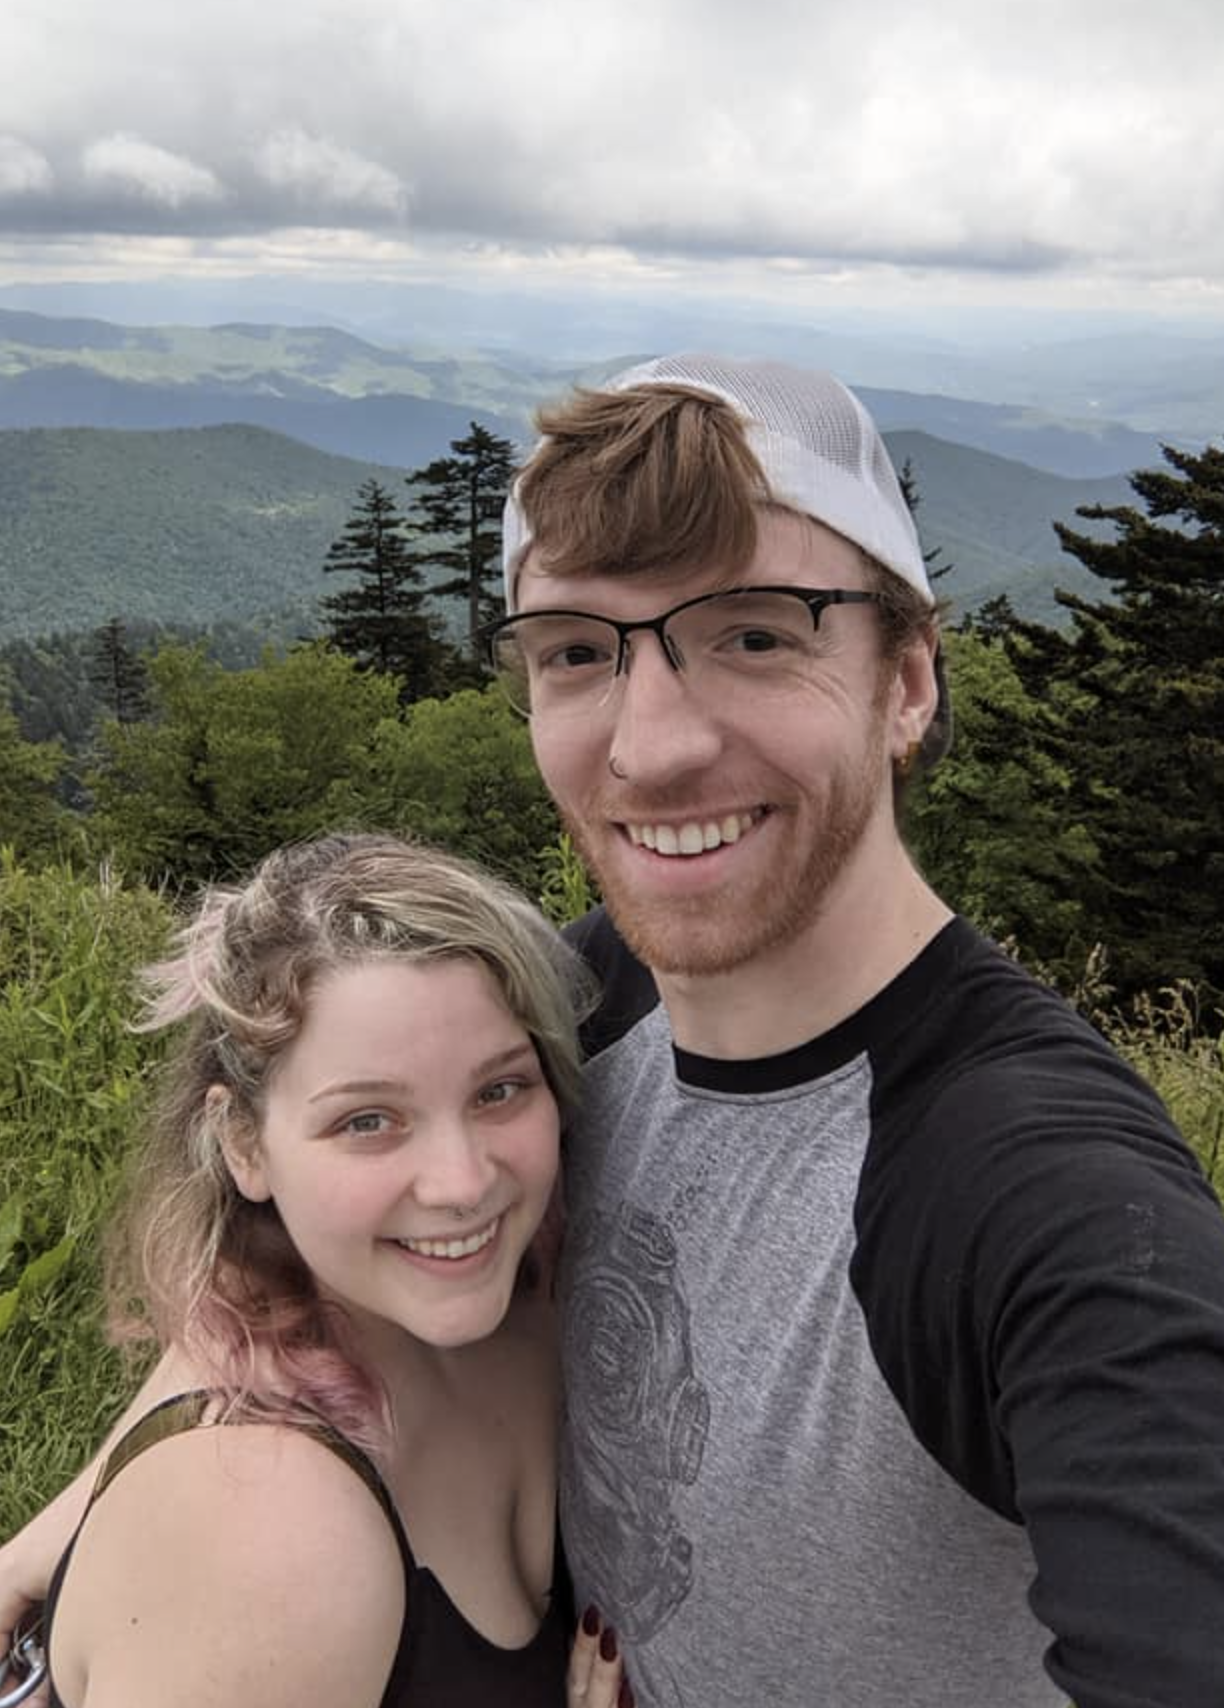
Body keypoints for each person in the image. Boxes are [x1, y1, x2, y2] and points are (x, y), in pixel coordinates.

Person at [484, 354, 1224, 1707]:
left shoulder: (1029, 1187)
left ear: (908, 683)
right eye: (578, 653)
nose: (650, 748)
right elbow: (282, 1229)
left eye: (756, 635)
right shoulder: (577, 1002)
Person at [0, 833, 627, 1708]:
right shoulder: (260, 1542)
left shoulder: (528, 1297)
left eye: (499, 1090)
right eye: (367, 1120)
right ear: (244, 1145)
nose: (462, 1184)